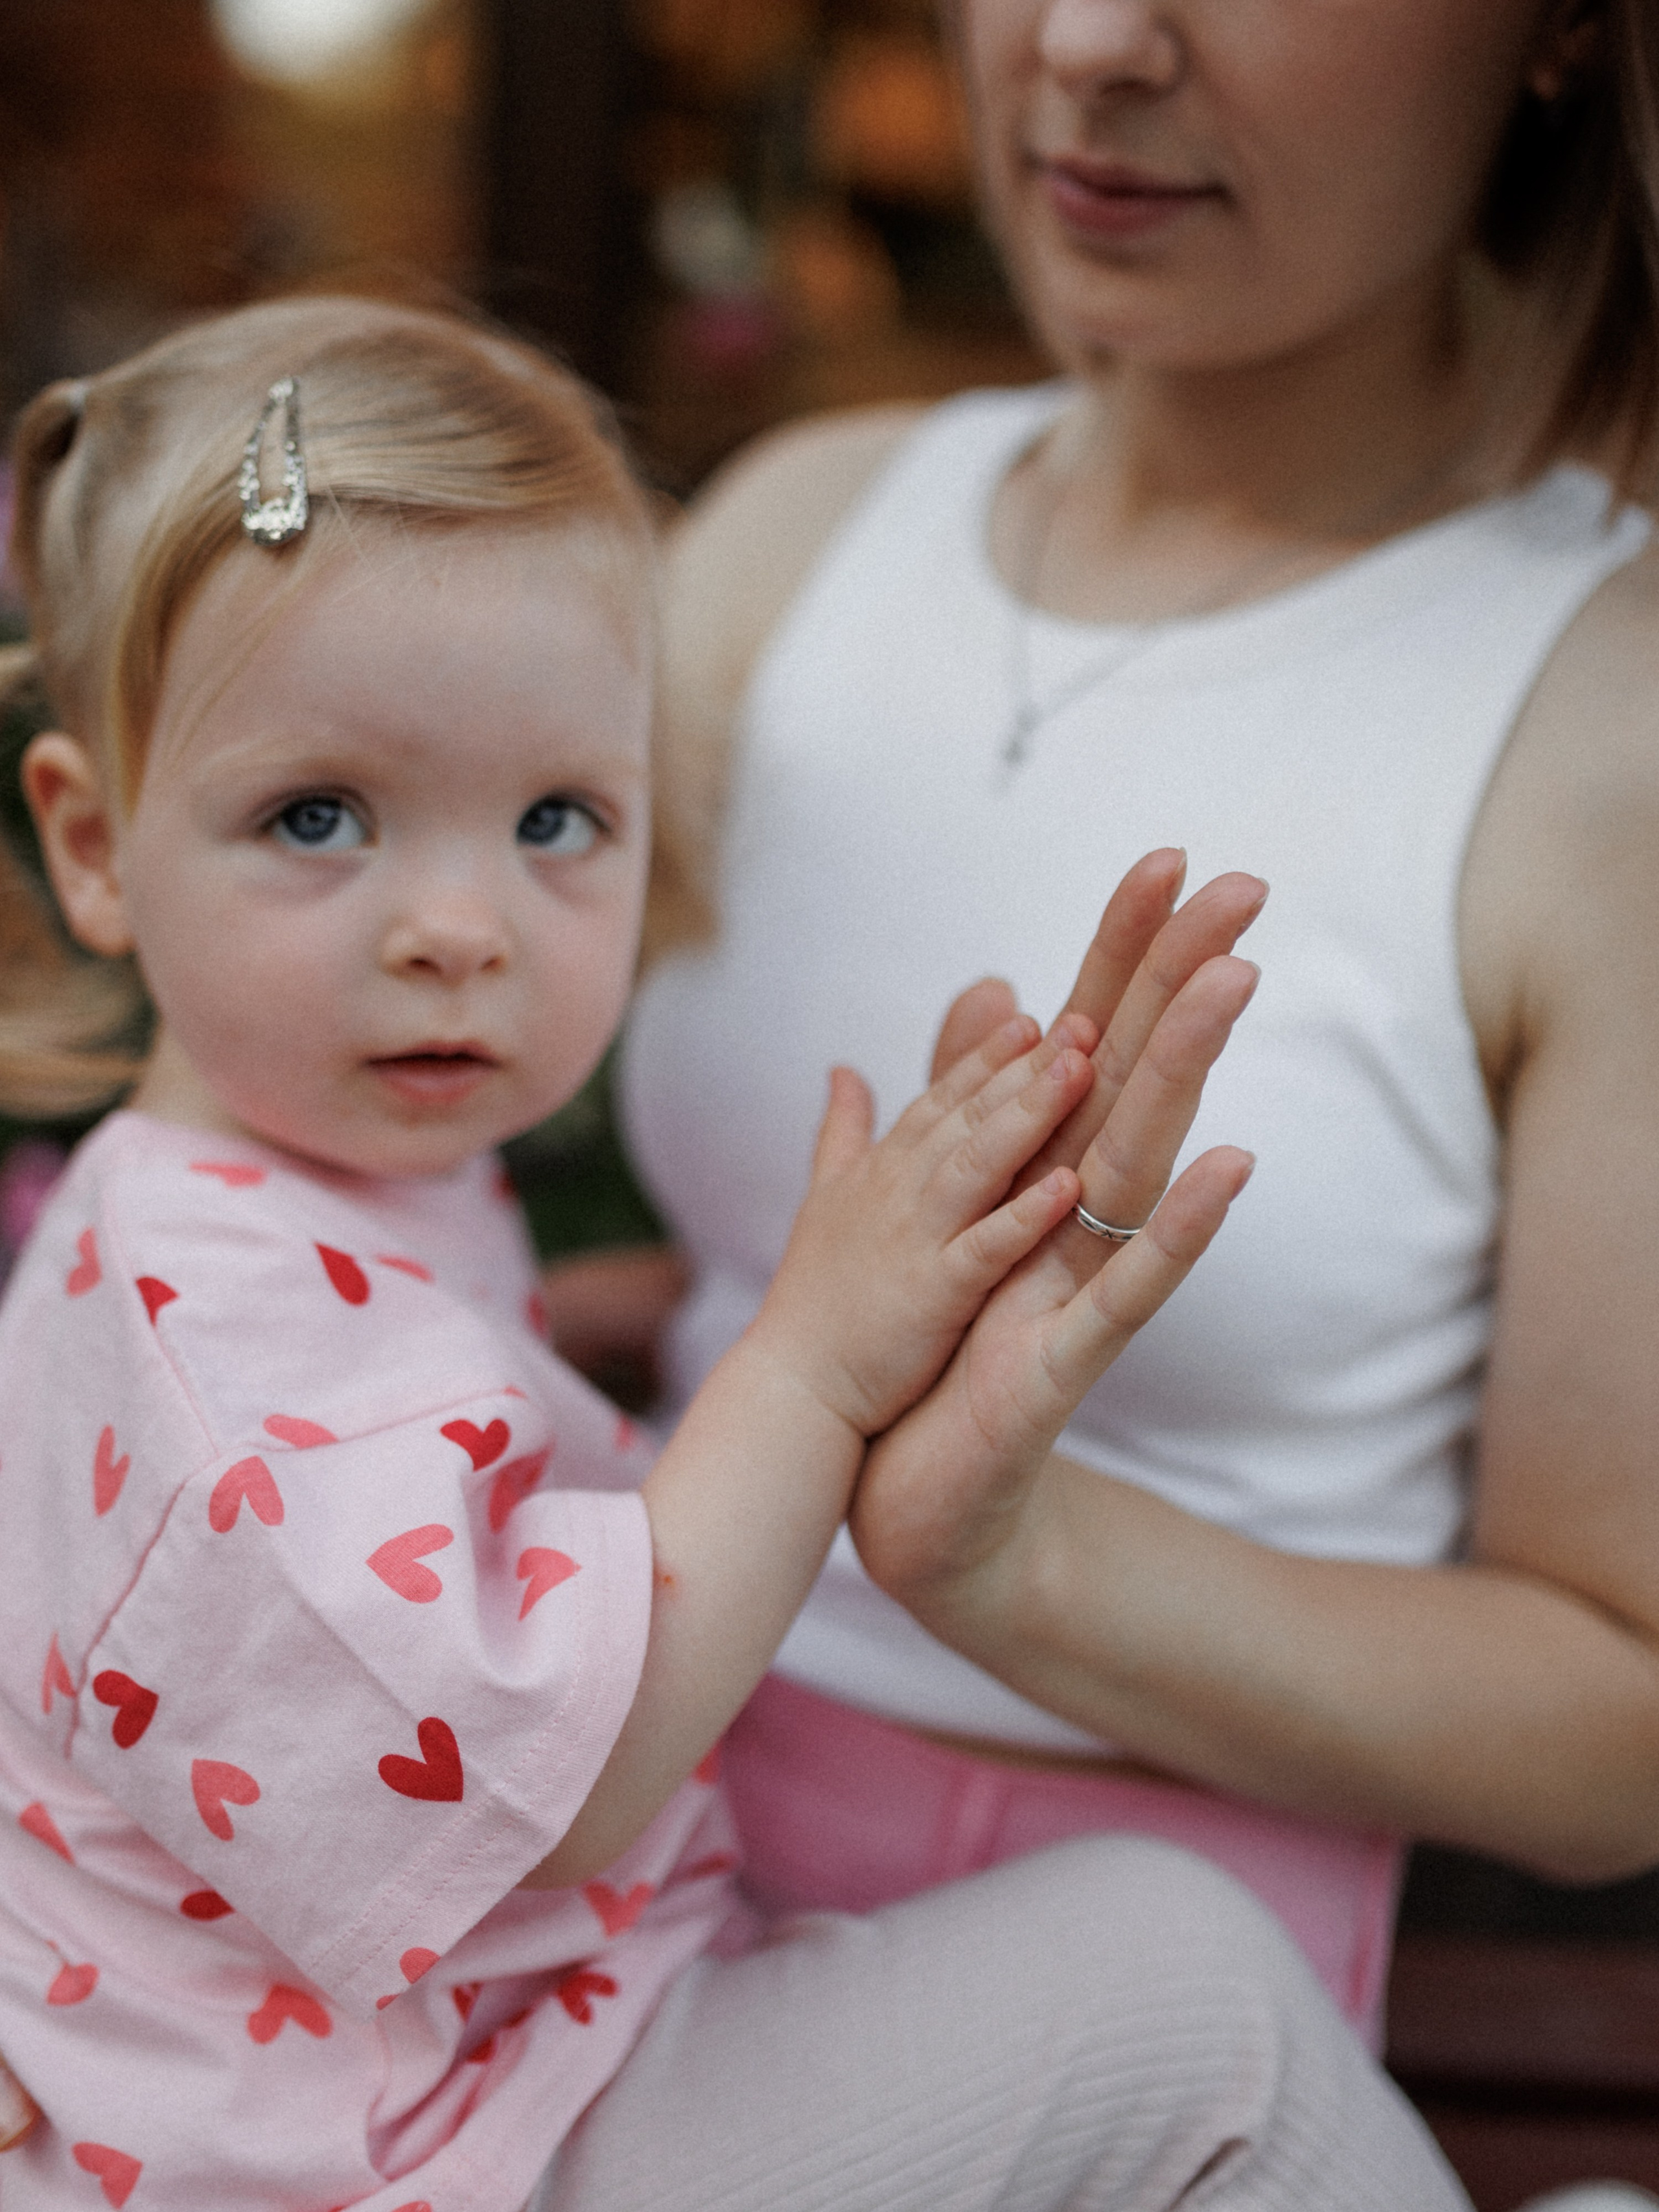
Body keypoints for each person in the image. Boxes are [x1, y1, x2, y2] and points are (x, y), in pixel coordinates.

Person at [0, 293, 1471, 2210]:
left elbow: (339, 1479)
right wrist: (807, 1359)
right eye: (319, 815)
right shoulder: (217, 1352)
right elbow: (555, 1792)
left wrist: (600, 1335)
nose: (461, 923)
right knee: (1192, 2000)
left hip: (448, 2078)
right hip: (435, 2154)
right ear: (94, 847)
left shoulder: (273, 1207)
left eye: (553, 818)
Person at [581, 0, 1659, 2076]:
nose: (1085, 42)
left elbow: (1625, 1712)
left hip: (1127, 2042)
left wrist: (1018, 1551)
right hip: (578, 1886)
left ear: (1555, 34)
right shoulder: (793, 535)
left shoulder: (1599, 730)